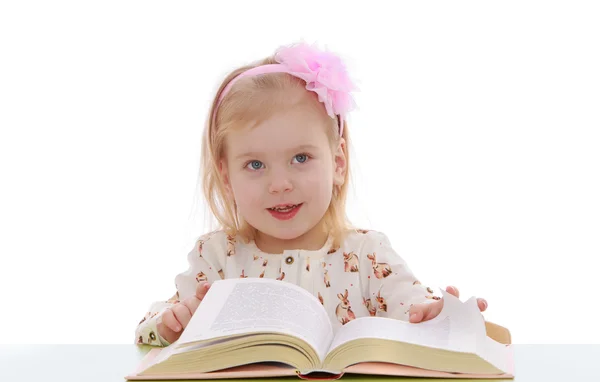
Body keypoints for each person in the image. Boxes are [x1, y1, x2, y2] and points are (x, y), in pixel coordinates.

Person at [135, 42, 488, 347]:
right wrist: (171, 324)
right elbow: (147, 330)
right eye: (255, 165)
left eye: (300, 158)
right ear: (227, 177)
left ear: (337, 163)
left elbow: (415, 308)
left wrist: (436, 317)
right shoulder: (216, 258)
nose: (279, 184)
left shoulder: (368, 256)